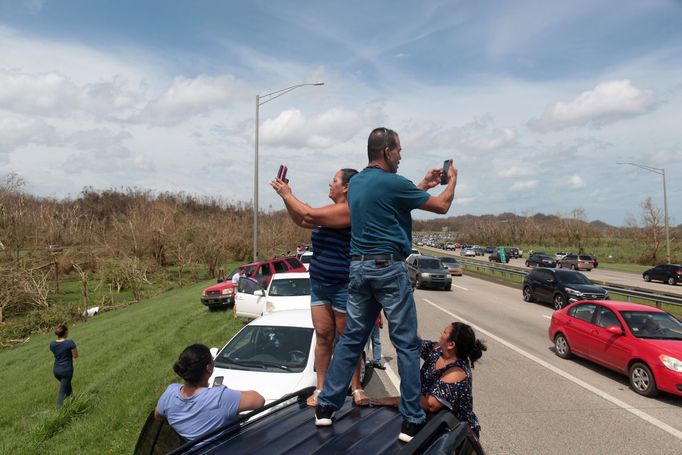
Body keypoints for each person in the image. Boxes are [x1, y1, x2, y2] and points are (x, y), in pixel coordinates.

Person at [315, 127, 457, 443]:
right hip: (388, 269)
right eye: (400, 151)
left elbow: (389, 200)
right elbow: (442, 206)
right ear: (388, 151)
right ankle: (411, 420)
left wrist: (423, 183)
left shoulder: (358, 184)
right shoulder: (394, 183)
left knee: (351, 338)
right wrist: (452, 179)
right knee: (405, 342)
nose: (401, 155)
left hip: (358, 269)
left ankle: (325, 407)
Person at [271, 168, 368, 407]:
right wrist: (287, 197)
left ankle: (356, 387)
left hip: (343, 285)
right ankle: (321, 387)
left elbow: (308, 213)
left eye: (334, 180)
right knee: (323, 337)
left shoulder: (349, 210)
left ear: (346, 187)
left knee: (347, 339)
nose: (330, 183)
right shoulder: (326, 212)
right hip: (320, 285)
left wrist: (287, 194)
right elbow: (302, 219)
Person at [365, 323, 486, 439]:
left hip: (456, 432)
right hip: (433, 422)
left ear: (451, 344)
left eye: (444, 332)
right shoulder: (438, 351)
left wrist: (393, 400)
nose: (441, 333)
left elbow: (430, 404)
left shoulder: (456, 372)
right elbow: (415, 343)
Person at [154, 344, 264, 441]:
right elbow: (259, 400)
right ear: (208, 368)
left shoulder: (169, 393)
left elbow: (158, 416)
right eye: (212, 360)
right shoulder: (220, 398)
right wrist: (223, 392)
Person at [50, 324, 78, 408]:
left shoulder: (52, 344)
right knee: (62, 392)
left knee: (67, 387)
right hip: (66, 370)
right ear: (66, 332)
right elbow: (75, 355)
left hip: (56, 371)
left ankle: (74, 402)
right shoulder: (69, 342)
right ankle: (58, 410)